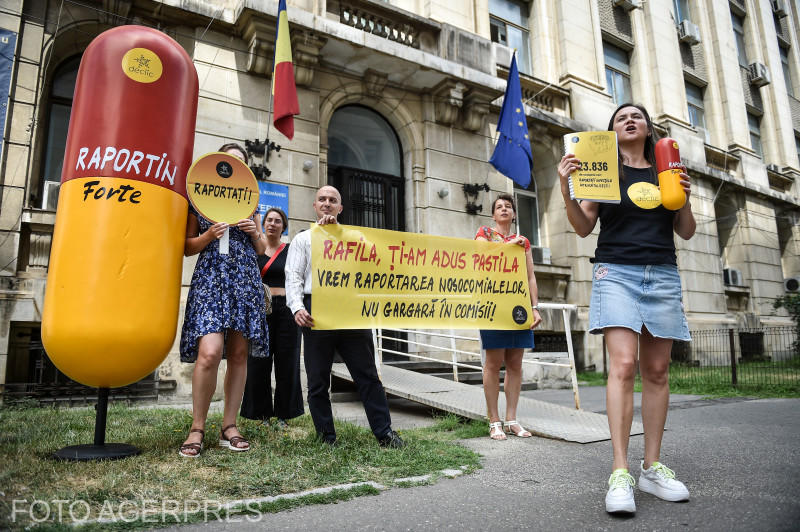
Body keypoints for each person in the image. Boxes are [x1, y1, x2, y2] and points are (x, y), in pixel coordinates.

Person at [557, 103, 695, 514]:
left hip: (663, 275)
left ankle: (651, 466)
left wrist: (684, 197)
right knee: (622, 365)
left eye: (637, 116)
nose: (629, 120)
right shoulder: (602, 169)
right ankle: (620, 472)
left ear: (649, 128)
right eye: (621, 118)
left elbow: (685, 231)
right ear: (612, 131)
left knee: (656, 371)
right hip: (615, 272)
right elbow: (583, 228)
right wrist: (567, 188)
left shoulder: (666, 170)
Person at [285, 185, 405, 448]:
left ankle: (384, 433)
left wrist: (338, 235)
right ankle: (327, 437)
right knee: (318, 379)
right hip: (316, 310)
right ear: (315, 206)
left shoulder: (354, 238)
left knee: (368, 375)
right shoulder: (303, 239)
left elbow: (375, 262)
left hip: (350, 309)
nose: (327, 204)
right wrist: (297, 307)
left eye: (333, 200)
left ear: (340, 208)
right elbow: (293, 275)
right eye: (322, 199)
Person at [178, 143, 268, 458]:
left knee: (240, 354)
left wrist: (253, 231)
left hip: (244, 279)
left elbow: (261, 249)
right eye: (229, 160)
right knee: (210, 352)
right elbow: (186, 247)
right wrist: (208, 236)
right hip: (211, 278)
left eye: (241, 162)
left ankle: (230, 426)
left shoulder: (251, 202)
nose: (235, 165)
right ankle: (197, 428)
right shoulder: (199, 198)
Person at [475, 194, 542, 441]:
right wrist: (505, 248)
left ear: (513, 214)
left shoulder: (522, 241)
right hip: (493, 306)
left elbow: (530, 277)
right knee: (493, 363)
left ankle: (512, 419)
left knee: (515, 364)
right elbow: (481, 259)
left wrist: (535, 307)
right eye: (499, 207)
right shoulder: (483, 233)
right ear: (493, 215)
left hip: (518, 308)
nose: (504, 209)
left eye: (508, 207)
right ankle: (494, 421)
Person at [240, 207, 304, 428]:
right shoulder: (253, 249)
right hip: (260, 310)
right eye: (269, 220)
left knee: (287, 361)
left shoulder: (291, 250)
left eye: (278, 221)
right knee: (258, 362)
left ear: (283, 227)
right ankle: (261, 414)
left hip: (286, 310)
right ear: (263, 223)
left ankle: (285, 415)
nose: (272, 224)